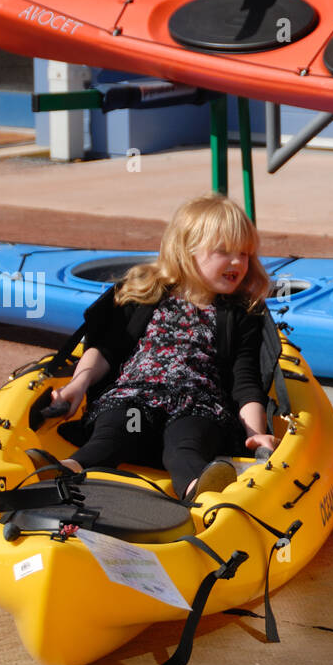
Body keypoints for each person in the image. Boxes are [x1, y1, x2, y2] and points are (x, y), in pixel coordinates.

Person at [42, 193, 277, 499]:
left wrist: (255, 435)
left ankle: (199, 492)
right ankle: (68, 470)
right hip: (136, 398)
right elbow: (106, 348)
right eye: (224, 251)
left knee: (185, 447)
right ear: (186, 250)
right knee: (113, 435)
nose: (238, 262)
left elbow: (245, 380)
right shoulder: (146, 293)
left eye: (245, 254)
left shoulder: (240, 313)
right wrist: (79, 383)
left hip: (197, 405)